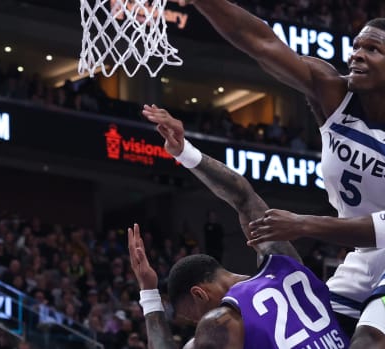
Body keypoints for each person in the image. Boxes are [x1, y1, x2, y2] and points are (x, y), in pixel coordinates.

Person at [174, 1, 385, 348]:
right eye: (356, 46)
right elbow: (257, 39)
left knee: (369, 342)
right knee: (315, 338)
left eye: (372, 49)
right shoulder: (331, 92)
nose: (357, 54)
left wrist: (302, 225)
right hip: (364, 255)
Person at [131, 105, 349, 349]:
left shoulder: (218, 323)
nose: (197, 325)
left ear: (199, 294)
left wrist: (149, 292)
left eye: (194, 317)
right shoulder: (286, 263)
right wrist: (185, 153)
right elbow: (244, 197)